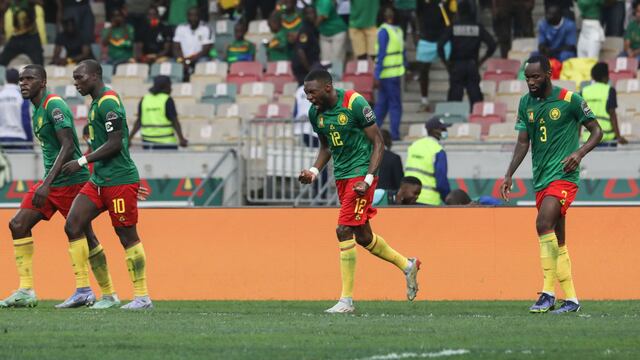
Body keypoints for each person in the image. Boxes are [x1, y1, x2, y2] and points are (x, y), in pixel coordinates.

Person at [298, 69, 420, 313]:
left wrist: (368, 178)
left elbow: (378, 143)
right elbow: (326, 146)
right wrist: (313, 170)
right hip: (341, 177)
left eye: (312, 92)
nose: (309, 98)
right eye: (306, 93)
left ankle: (346, 301)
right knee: (363, 236)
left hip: (361, 176)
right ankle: (407, 265)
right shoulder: (316, 114)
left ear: (328, 88)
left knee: (343, 229)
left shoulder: (354, 102)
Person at [0, 64, 120, 309]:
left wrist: (47, 183)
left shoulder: (54, 105)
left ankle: (105, 293)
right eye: (21, 79)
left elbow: (67, 146)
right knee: (18, 225)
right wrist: (47, 183)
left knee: (86, 236)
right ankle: (26, 290)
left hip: (70, 183)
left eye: (29, 78)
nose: (23, 83)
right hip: (52, 183)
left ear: (42, 82)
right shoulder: (36, 109)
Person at [500, 55, 602, 314]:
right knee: (558, 238)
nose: (531, 82)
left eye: (535, 76)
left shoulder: (570, 100)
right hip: (541, 177)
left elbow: (597, 131)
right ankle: (572, 300)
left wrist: (578, 154)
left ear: (548, 74)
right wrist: (509, 173)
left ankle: (547, 293)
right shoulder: (525, 103)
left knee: (543, 224)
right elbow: (524, 142)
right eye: (527, 78)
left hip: (564, 176)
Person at [62, 59, 153, 310]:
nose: (76, 82)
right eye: (74, 77)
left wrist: (81, 160)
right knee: (73, 225)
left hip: (119, 181)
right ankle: (96, 293)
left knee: (126, 235)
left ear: (94, 76)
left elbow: (115, 143)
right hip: (99, 180)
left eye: (79, 77)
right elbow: (102, 143)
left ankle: (142, 297)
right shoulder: (95, 105)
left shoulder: (109, 102)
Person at [438, 1, 496, 106]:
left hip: (456, 65)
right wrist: (481, 61)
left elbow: (440, 46)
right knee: (476, 99)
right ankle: (477, 121)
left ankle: (453, 121)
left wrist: (446, 64)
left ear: (458, 12)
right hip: (472, 65)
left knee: (454, 100)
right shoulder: (478, 27)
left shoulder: (453, 27)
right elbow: (492, 45)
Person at [129, 75, 188, 150]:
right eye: (169, 85)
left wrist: (129, 138)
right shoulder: (167, 100)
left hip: (147, 143)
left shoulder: (144, 99)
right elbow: (174, 121)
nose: (171, 89)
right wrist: (181, 139)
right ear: (165, 86)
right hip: (166, 143)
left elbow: (139, 121)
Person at [374, 6, 406, 141]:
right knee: (393, 105)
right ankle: (394, 134)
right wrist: (377, 75)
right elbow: (384, 54)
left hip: (388, 74)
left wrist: (377, 74)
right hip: (391, 74)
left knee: (383, 104)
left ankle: (371, 133)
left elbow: (382, 54)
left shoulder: (385, 30)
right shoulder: (396, 31)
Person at [416, 0, 454, 111]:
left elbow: (453, 13)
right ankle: (424, 100)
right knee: (423, 70)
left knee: (452, 69)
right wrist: (416, 31)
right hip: (426, 38)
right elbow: (417, 14)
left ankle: (453, 98)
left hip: (443, 38)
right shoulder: (421, 3)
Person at [405, 116, 451, 206]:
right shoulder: (438, 150)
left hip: (410, 199)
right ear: (433, 130)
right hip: (430, 201)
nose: (445, 131)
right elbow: (441, 182)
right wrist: (448, 198)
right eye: (442, 129)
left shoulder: (414, 145)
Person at [581, 62, 627, 146]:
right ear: (605, 77)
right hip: (607, 138)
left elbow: (578, 116)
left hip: (588, 138)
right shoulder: (609, 90)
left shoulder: (584, 91)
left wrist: (576, 138)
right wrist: (618, 136)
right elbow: (612, 114)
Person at [172, 6, 214, 79]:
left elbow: (205, 50)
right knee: (170, 64)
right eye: (190, 15)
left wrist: (190, 61)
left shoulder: (206, 28)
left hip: (199, 58)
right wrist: (181, 60)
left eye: (195, 15)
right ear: (187, 16)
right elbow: (176, 48)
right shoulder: (180, 28)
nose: (193, 18)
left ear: (199, 16)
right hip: (183, 59)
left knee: (203, 61)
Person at [1, 0, 45, 66]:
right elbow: (2, 8)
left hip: (31, 37)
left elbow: (41, 2)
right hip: (16, 37)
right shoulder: (11, 2)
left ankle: (40, 75)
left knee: (39, 63)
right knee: (2, 60)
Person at [0, 68, 33, 150]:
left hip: (1, 138)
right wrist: (30, 142)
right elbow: (26, 121)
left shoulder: (1, 95)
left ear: (6, 79)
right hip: (19, 138)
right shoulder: (22, 96)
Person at [292, 6, 320, 84]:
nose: (312, 15)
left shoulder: (313, 28)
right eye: (308, 14)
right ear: (304, 16)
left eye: (313, 13)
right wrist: (309, 69)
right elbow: (301, 51)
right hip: (303, 68)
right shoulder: (305, 30)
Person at [315, 0, 348, 67]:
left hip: (337, 32)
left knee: (336, 60)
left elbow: (322, 17)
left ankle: (336, 77)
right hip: (324, 33)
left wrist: (310, 30)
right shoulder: (315, 2)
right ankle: (327, 77)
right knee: (325, 60)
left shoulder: (325, 1)